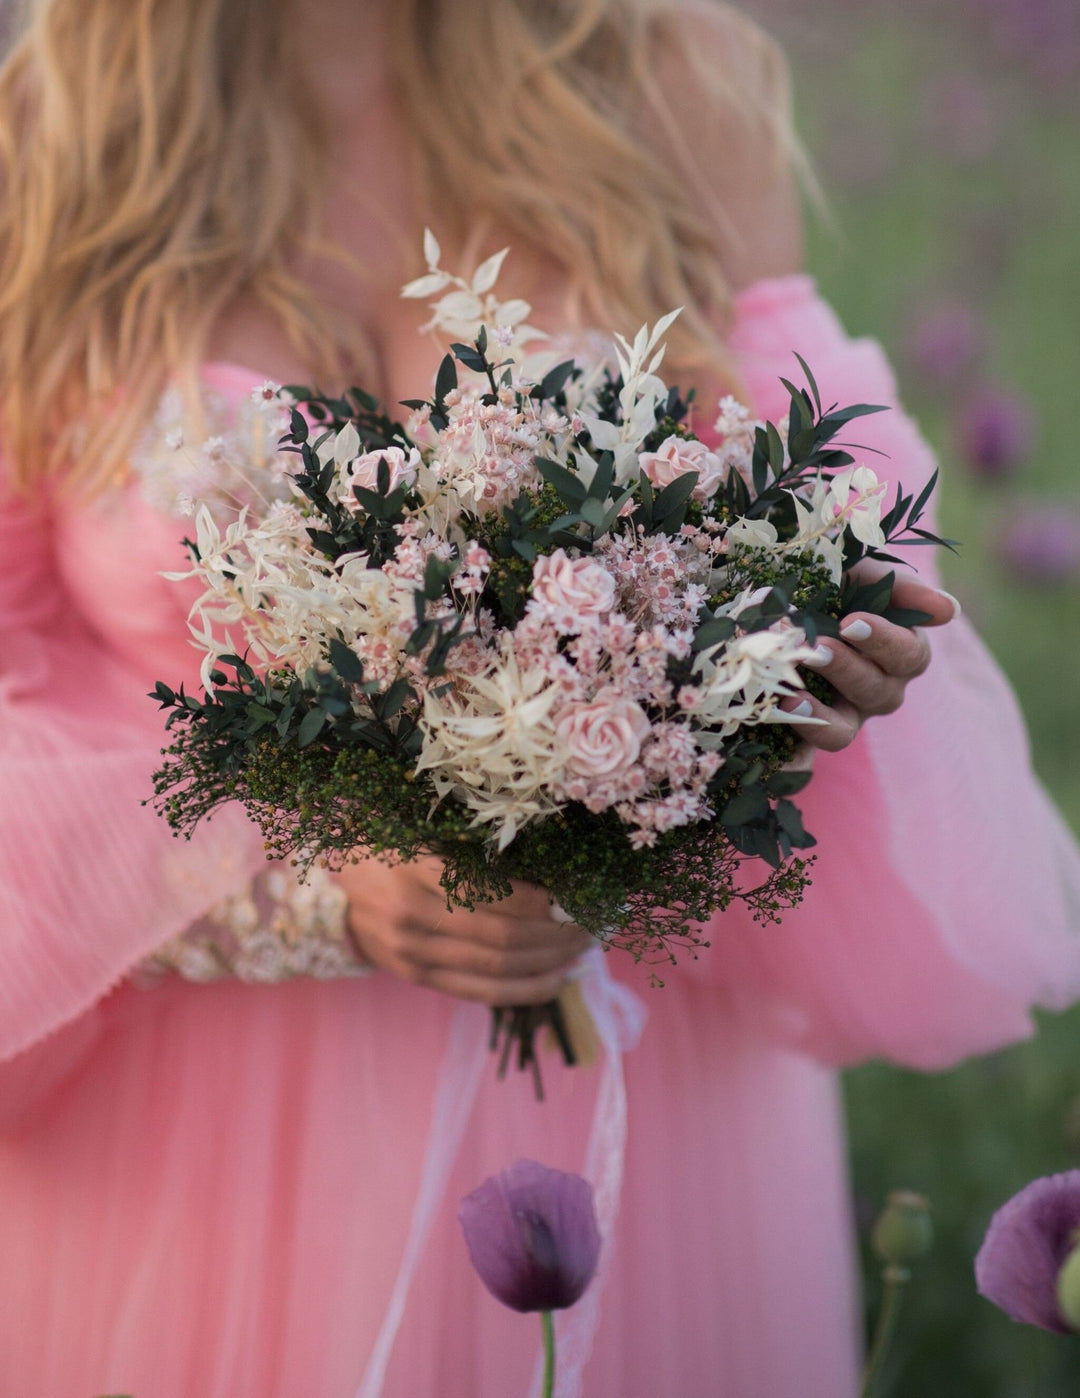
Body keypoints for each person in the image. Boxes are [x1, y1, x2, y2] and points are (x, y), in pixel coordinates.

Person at [1, 1, 1078, 1394]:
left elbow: (823, 516)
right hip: (188, 1157)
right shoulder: (48, 139)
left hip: (637, 1104)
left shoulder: (672, 76)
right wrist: (307, 879)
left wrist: (801, 669)